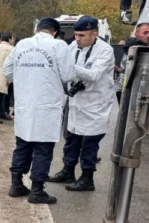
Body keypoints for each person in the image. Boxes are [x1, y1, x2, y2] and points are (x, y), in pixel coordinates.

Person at [3, 18, 75, 204]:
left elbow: (7, 70)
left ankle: (16, 185)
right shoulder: (59, 46)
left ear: (36, 29)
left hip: (25, 104)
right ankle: (36, 191)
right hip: (46, 106)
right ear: (55, 32)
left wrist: (23, 78)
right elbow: (68, 75)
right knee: (43, 149)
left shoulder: (21, 45)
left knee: (23, 145)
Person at [47, 17, 115, 192]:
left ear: (94, 34)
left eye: (81, 35)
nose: (77, 38)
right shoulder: (73, 47)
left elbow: (93, 75)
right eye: (76, 35)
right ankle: (68, 170)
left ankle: (87, 178)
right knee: (72, 139)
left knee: (89, 143)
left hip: (95, 104)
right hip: (76, 101)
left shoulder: (105, 51)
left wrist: (68, 66)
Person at [1, 34, 16, 119]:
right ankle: (6, 112)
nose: (13, 41)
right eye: (12, 39)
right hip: (8, 74)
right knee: (7, 94)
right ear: (9, 39)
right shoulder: (12, 49)